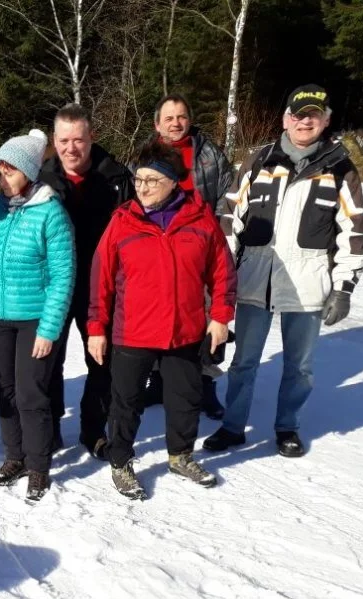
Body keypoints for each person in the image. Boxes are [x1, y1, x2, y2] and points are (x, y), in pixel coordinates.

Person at [204, 84, 363, 458]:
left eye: (313, 115)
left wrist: (343, 288)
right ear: (285, 119)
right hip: (254, 278)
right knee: (244, 360)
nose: (304, 121)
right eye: (297, 114)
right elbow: (230, 217)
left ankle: (287, 427)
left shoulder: (340, 169)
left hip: (308, 282)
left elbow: (354, 231)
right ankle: (232, 426)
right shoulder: (259, 160)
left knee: (301, 365)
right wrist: (223, 275)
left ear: (325, 121)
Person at [88, 142, 236, 501]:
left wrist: (219, 318)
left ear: (174, 182)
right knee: (126, 401)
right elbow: (100, 279)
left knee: (185, 398)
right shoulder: (123, 221)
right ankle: (121, 461)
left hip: (183, 330)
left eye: (152, 180)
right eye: (138, 179)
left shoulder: (200, 220)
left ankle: (180, 456)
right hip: (133, 331)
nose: (142, 187)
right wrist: (96, 328)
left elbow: (223, 272)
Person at [0, 129, 76, 502]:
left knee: (31, 395)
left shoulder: (51, 213)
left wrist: (50, 329)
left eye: (9, 171)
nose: (2, 178)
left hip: (34, 321)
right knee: (4, 390)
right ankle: (15, 457)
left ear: (29, 170)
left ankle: (38, 466)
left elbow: (63, 276)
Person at [41, 103, 134, 460]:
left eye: (78, 139)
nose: (71, 148)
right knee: (48, 360)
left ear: (91, 136)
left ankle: (93, 429)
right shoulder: (42, 178)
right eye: (64, 140)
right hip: (55, 287)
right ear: (55, 140)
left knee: (102, 360)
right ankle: (48, 428)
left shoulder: (117, 178)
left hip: (101, 287)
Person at [146, 94, 235, 418]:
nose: (176, 123)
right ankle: (157, 380)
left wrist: (218, 229)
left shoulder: (209, 152)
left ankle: (207, 385)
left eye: (181, 116)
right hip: (159, 249)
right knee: (158, 314)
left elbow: (231, 193)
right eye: (169, 118)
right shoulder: (144, 154)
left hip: (203, 248)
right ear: (158, 123)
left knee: (210, 314)